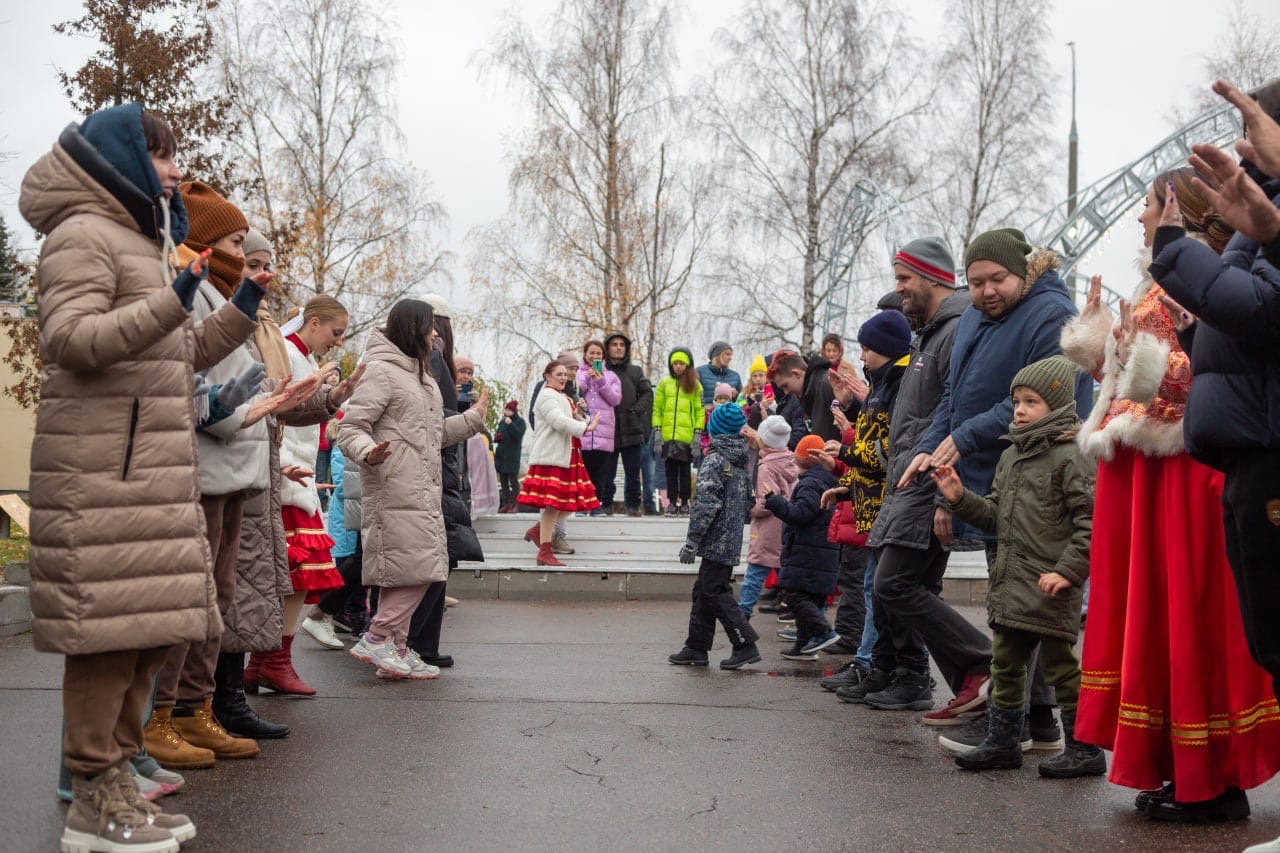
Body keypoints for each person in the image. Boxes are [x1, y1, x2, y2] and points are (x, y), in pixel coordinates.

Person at [21, 102, 265, 851]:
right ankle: (91, 795)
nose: (176, 170)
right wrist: (171, 299)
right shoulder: (81, 235)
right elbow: (70, 339)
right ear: (122, 159)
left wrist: (242, 305)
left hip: (148, 473)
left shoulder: (136, 239)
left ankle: (117, 779)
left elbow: (177, 351)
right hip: (104, 474)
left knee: (144, 636)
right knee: (106, 641)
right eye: (162, 156)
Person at [1101, 92, 1280, 821]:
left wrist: (1148, 363)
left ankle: (1212, 774)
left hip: (1203, 469)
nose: (1241, 149)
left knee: (1212, 628)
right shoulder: (1244, 241)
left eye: (1253, 133)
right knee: (1247, 633)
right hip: (1220, 456)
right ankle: (1192, 768)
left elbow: (1210, 352)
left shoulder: (1212, 257)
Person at [888, 229, 1089, 726]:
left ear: (1024, 271)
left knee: (1035, 605)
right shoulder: (979, 315)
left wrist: (964, 439)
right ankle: (1030, 724)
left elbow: (1039, 400)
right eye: (975, 283)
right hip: (1001, 472)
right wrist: (930, 453)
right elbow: (954, 397)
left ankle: (1031, 724)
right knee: (1014, 604)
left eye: (997, 279)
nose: (986, 292)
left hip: (1045, 470)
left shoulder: (1051, 314)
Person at [932, 356, 1106, 778]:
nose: (1021, 411)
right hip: (1013, 582)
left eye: (1032, 402)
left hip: (1050, 584)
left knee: (1062, 667)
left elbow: (1092, 523)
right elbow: (995, 516)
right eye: (1017, 403)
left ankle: (1085, 747)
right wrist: (960, 499)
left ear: (1060, 405)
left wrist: (1067, 571)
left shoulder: (1073, 456)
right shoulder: (1011, 456)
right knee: (1005, 664)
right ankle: (1003, 740)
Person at [144, 181, 268, 768]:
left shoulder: (221, 292)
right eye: (236, 240)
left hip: (233, 467)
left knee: (216, 598)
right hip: (206, 464)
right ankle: (162, 715)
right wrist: (235, 409)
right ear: (204, 240)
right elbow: (191, 382)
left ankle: (195, 709)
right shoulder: (192, 293)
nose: (243, 252)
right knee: (191, 599)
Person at [842, 237, 966, 710]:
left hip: (924, 482)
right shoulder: (928, 336)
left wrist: (940, 496)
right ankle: (896, 671)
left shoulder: (952, 333)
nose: (899, 291)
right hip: (904, 482)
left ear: (932, 276)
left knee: (897, 585)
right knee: (889, 586)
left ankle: (946, 673)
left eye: (904, 279)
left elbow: (952, 413)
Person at [339, 299, 488, 678]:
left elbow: (433, 434)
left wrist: (471, 421)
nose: (436, 334)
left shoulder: (421, 377)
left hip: (421, 486)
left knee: (410, 569)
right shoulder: (382, 372)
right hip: (393, 486)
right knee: (421, 569)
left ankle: (396, 649)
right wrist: (369, 452)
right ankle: (378, 636)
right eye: (429, 327)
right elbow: (350, 428)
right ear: (411, 329)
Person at [818, 310, 912, 690]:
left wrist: (845, 454)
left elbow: (885, 452)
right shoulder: (880, 387)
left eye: (867, 349)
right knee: (874, 590)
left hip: (886, 509)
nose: (861, 357)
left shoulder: (897, 387)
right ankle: (867, 661)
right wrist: (847, 487)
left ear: (887, 349)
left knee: (879, 592)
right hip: (871, 506)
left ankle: (874, 663)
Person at [262, 295, 350, 696]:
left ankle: (273, 660)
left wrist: (333, 395)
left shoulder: (305, 357)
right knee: (293, 574)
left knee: (298, 575)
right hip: (284, 477)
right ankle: (269, 660)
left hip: (296, 479)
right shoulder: (284, 350)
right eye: (335, 333)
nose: (337, 342)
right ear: (312, 323)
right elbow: (278, 410)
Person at [668, 403, 761, 670]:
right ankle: (696, 647)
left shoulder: (715, 459)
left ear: (715, 429)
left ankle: (745, 643)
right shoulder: (742, 459)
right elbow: (748, 502)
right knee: (704, 590)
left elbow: (705, 504)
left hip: (714, 540)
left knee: (714, 591)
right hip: (729, 538)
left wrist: (692, 540)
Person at [519, 360, 603, 565]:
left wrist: (581, 417)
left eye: (566, 374)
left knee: (570, 503)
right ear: (547, 376)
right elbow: (558, 421)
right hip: (552, 456)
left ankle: (539, 531)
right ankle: (544, 552)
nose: (564, 377)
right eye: (559, 374)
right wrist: (586, 427)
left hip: (566, 455)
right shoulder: (547, 395)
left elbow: (569, 420)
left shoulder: (561, 396)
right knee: (554, 504)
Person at [766, 435, 841, 660]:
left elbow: (800, 514)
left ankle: (824, 632)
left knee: (794, 594)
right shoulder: (826, 480)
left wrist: (774, 500)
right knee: (810, 598)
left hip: (807, 552)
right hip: (820, 553)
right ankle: (804, 645)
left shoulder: (810, 483)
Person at [739, 416, 798, 618]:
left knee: (755, 571)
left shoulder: (767, 467)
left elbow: (766, 502)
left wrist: (750, 509)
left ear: (763, 440)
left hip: (767, 530)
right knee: (786, 573)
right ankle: (801, 616)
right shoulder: (790, 461)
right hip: (786, 525)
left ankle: (743, 612)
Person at [602, 333, 654, 517]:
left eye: (622, 345)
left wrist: (636, 410)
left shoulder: (635, 371)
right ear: (607, 348)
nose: (618, 347)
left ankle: (633, 506)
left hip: (632, 430)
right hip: (608, 430)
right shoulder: (601, 370)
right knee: (607, 472)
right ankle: (605, 504)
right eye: (614, 344)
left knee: (633, 473)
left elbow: (648, 394)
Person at [652, 348, 704, 515]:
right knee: (670, 472)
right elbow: (657, 409)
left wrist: (697, 434)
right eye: (675, 363)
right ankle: (672, 503)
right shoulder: (664, 384)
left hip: (686, 437)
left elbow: (699, 411)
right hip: (668, 436)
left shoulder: (695, 385)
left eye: (681, 363)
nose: (678, 366)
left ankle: (685, 502)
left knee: (684, 473)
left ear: (687, 365)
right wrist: (658, 432)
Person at [576, 340, 624, 516]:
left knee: (601, 472)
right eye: (591, 353)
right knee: (583, 471)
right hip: (583, 429)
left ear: (603, 356)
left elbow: (615, 400)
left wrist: (601, 381)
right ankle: (582, 505)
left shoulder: (611, 377)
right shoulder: (578, 374)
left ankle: (596, 505)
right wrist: (588, 378)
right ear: (585, 355)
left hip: (604, 432)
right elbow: (577, 393)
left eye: (598, 353)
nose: (595, 356)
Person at [494, 401, 527, 513]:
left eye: (509, 410)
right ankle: (506, 504)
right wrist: (497, 436)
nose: (507, 412)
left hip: (512, 457)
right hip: (501, 456)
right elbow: (498, 434)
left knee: (513, 481)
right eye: (506, 410)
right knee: (503, 481)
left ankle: (516, 504)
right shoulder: (502, 421)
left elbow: (518, 436)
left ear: (514, 411)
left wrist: (511, 424)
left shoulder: (520, 422)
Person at [696, 341, 742, 407]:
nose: (730, 358)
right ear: (716, 355)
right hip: (706, 416)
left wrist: (736, 396)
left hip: (728, 416)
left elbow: (743, 403)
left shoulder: (735, 376)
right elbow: (694, 397)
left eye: (731, 355)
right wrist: (704, 407)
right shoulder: (699, 372)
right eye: (727, 354)